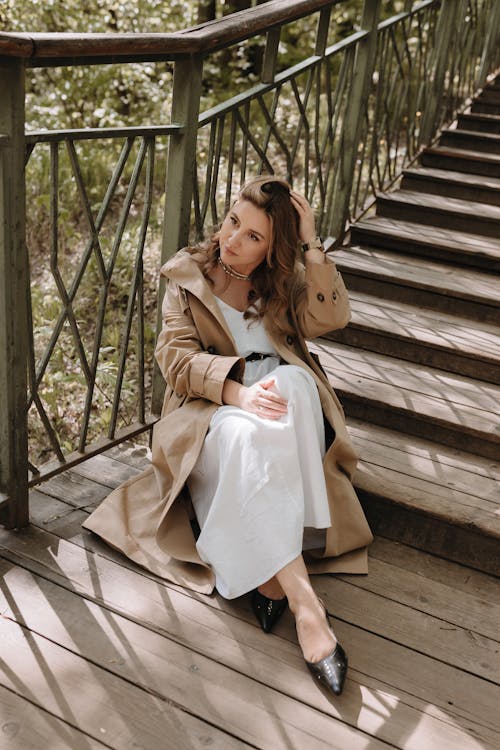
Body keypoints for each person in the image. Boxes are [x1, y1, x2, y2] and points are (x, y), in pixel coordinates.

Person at [83, 176, 373, 697]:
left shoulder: (285, 279)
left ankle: (271, 577)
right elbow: (174, 358)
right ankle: (306, 605)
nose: (233, 239)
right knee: (249, 433)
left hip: (284, 414)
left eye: (253, 236)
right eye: (233, 222)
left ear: (273, 248)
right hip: (211, 413)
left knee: (294, 383)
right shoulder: (188, 274)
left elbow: (331, 317)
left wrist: (310, 244)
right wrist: (237, 393)